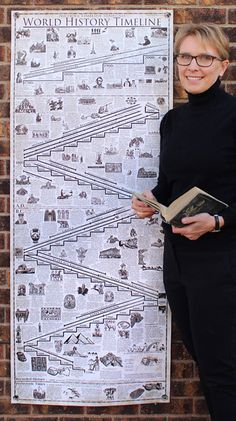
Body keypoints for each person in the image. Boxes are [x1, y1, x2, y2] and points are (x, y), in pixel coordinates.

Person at [131, 23, 236, 421]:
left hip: (221, 260)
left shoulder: (232, 116)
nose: (193, 66)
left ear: (222, 66)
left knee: (223, 370)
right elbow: (169, 186)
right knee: (206, 364)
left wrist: (219, 221)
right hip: (177, 260)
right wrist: (150, 200)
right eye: (185, 57)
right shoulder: (172, 122)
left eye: (205, 57)